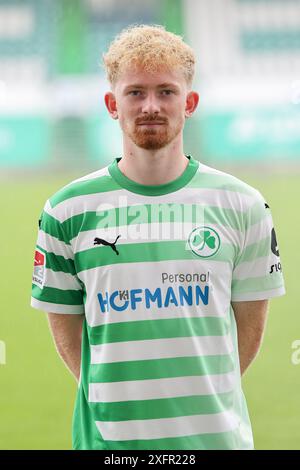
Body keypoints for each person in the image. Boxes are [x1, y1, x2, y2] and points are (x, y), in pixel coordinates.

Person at [30, 24, 285, 450]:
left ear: (191, 103)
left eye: (166, 91)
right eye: (135, 92)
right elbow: (66, 330)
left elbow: (249, 328)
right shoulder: (65, 210)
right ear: (112, 104)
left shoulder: (244, 205)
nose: (151, 105)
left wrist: (203, 393)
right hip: (110, 447)